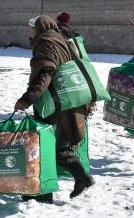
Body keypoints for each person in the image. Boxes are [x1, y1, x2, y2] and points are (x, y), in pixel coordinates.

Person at [13, 16, 94, 203]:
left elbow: (44, 76)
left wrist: (26, 100)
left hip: (54, 105)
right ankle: (81, 178)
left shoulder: (46, 44)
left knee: (43, 148)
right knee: (57, 148)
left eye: (32, 28)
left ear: (39, 28)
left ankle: (42, 193)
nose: (30, 32)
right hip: (66, 103)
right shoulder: (59, 39)